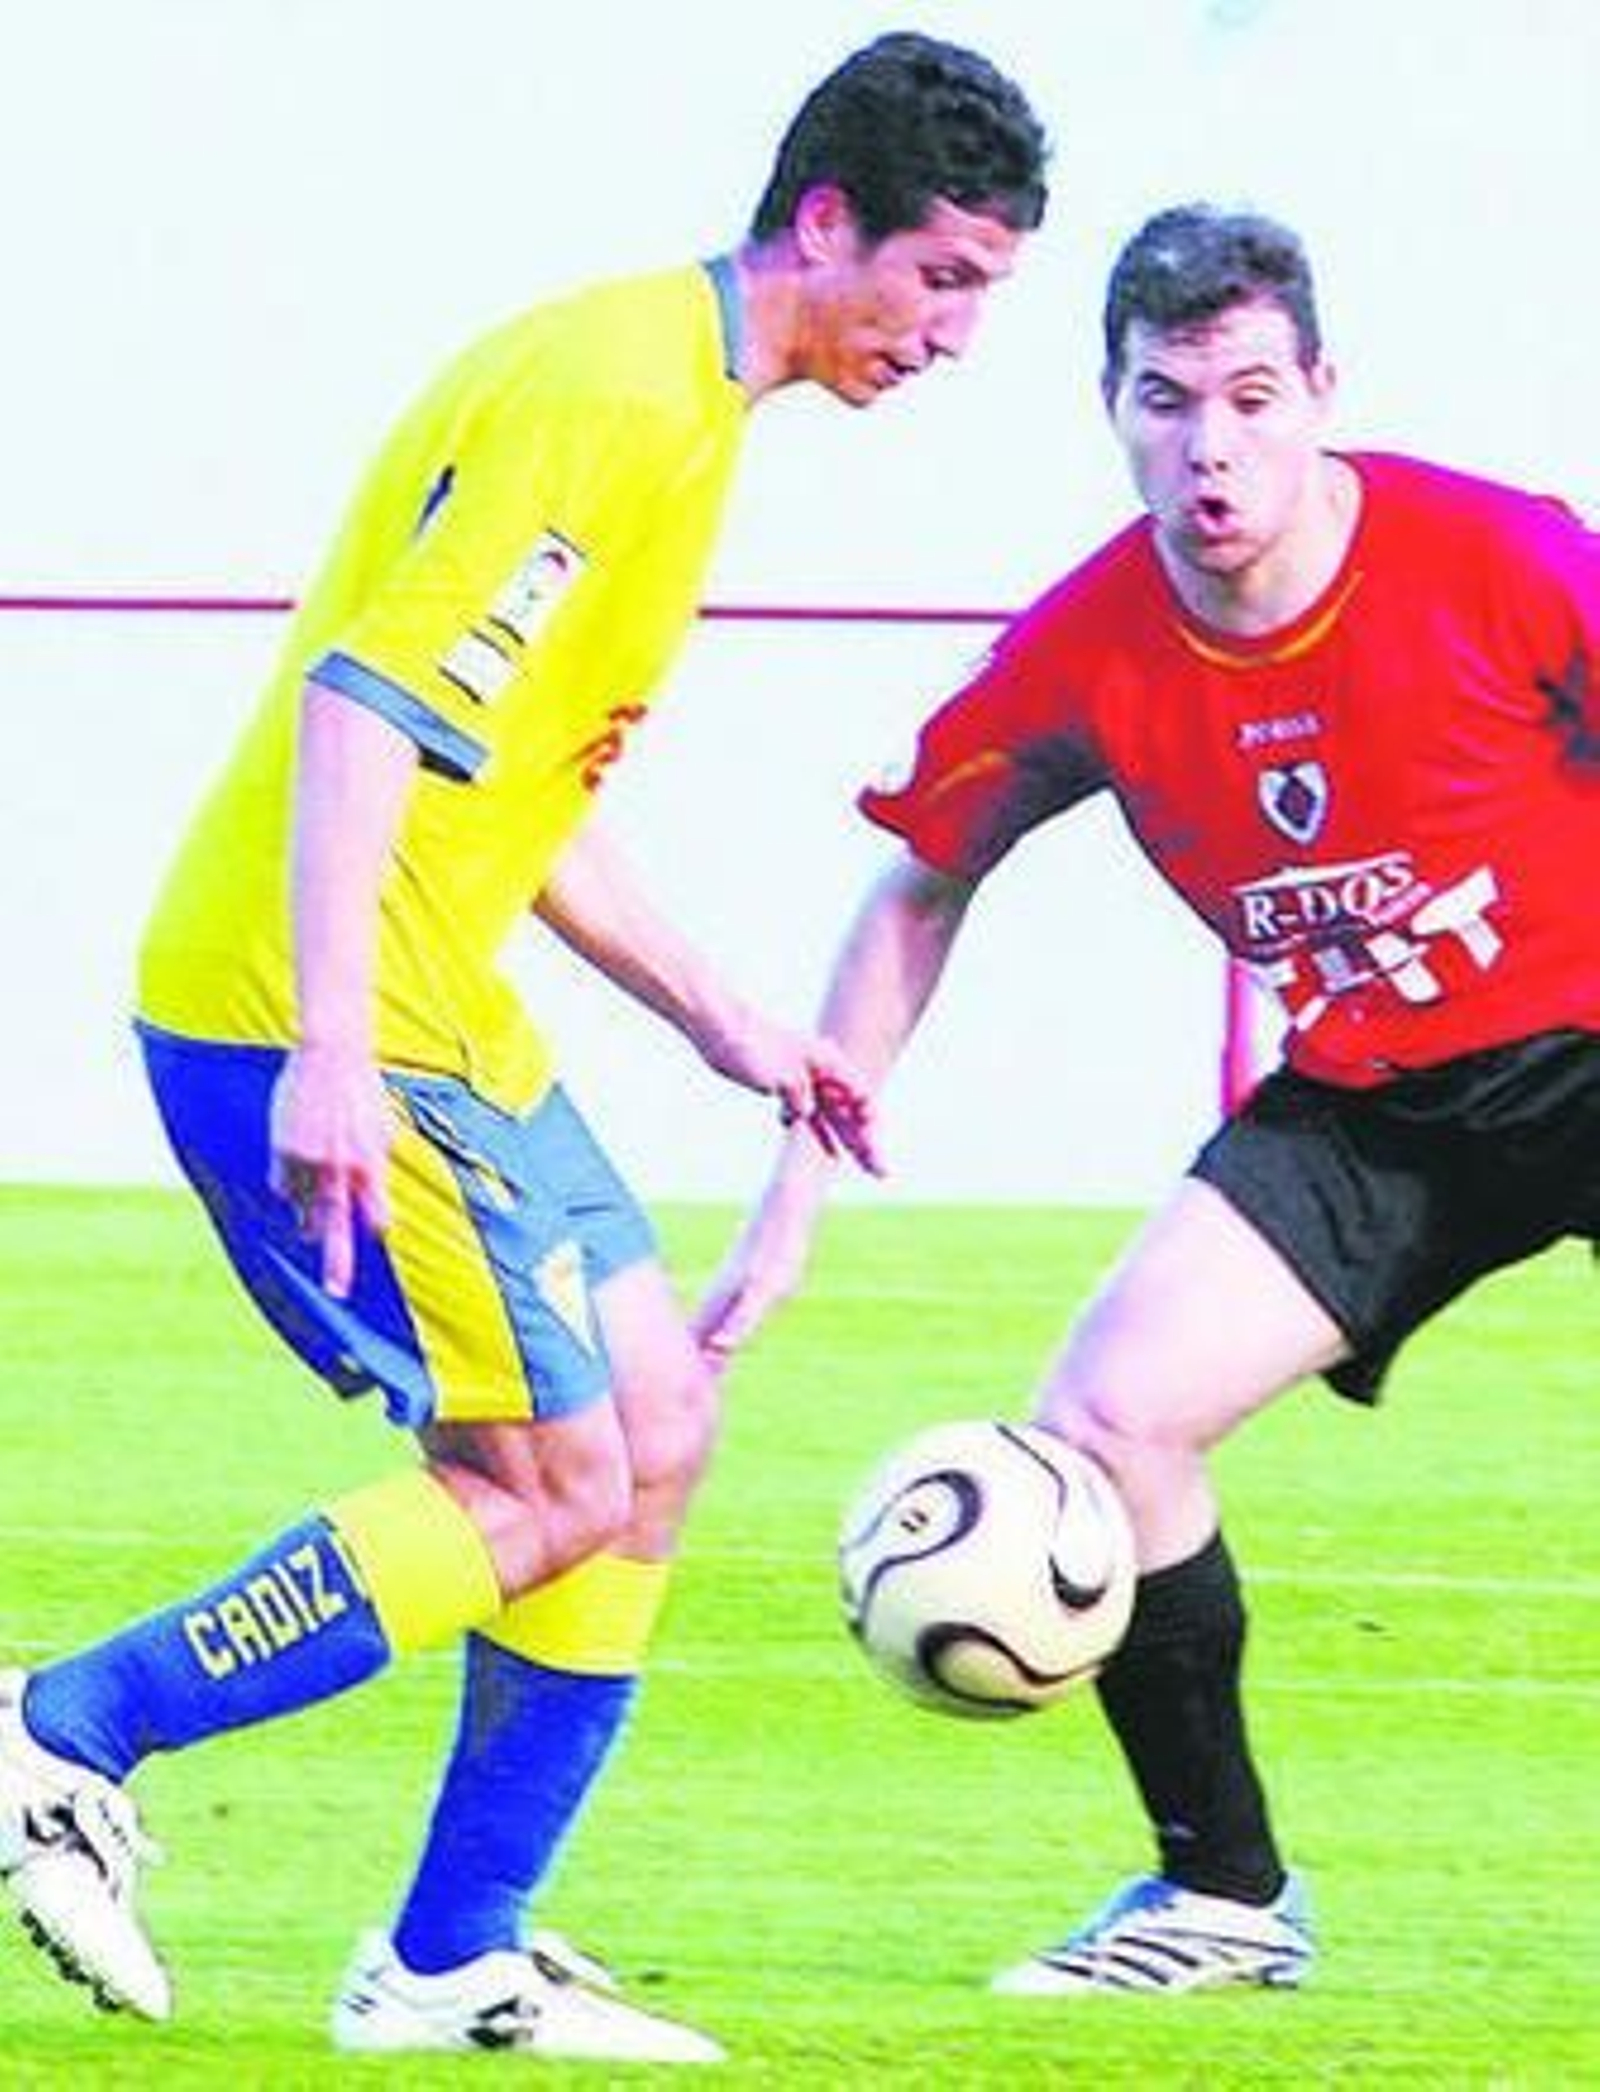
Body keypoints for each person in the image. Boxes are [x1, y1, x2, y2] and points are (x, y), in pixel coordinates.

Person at [0, 33, 1048, 2060]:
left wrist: (735, 1024)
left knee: (655, 1418)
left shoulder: (686, 398)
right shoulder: (614, 397)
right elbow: (358, 706)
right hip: (326, 1015)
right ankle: (69, 1732)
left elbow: (524, 784)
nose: (953, 333)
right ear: (824, 222)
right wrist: (323, 1049)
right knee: (551, 1478)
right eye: (944, 277)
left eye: (981, 290)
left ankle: (450, 1954)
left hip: (438, 1008)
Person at [698, 200, 1600, 1996]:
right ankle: (1224, 1899)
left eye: (1256, 398)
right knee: (1108, 1420)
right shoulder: (1089, 648)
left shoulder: (1503, 556)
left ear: (1321, 391)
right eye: (1168, 400)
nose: (1215, 448)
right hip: (1374, 1107)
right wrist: (795, 1188)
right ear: (1111, 405)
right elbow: (921, 878)